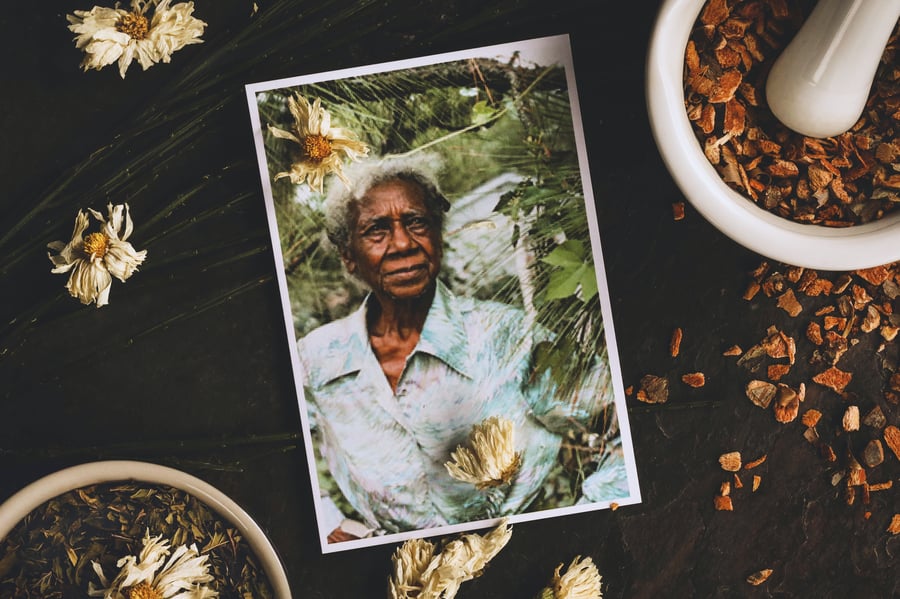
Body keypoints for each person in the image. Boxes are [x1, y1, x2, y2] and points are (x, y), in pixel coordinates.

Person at [295, 156, 624, 542]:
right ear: (349, 257)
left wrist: (589, 516)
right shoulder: (317, 359)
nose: (402, 243)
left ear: (438, 237)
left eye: (416, 222)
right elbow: (276, 451)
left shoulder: (506, 335)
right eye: (376, 230)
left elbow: (620, 421)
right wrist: (328, 524)